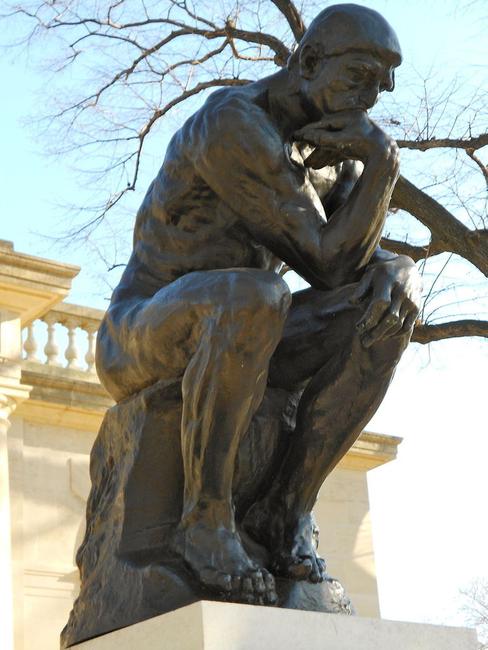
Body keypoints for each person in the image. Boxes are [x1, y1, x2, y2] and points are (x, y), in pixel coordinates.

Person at [96, 4, 421, 606]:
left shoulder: (341, 149)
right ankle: (205, 520)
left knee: (385, 312)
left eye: (381, 87)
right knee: (256, 292)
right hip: (142, 329)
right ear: (309, 61)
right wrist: (385, 162)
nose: (369, 100)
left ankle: (285, 510)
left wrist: (399, 269)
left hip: (248, 326)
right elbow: (327, 261)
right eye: (357, 79)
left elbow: (352, 266)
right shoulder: (233, 123)